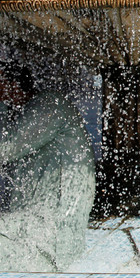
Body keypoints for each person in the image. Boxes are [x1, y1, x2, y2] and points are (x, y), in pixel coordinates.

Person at [0, 55, 96, 271]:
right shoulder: (27, 114)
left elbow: (3, 149)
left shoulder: (50, 105)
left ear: (13, 84)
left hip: (52, 238)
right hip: (35, 227)